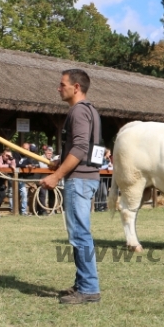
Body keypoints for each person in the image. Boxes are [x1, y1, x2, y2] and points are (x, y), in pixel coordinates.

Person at [40, 69, 104, 304]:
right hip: (88, 176)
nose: (59, 88)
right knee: (79, 233)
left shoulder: (77, 112)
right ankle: (83, 283)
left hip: (80, 180)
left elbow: (80, 149)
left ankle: (88, 288)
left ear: (76, 87)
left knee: (80, 234)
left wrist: (56, 175)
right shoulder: (90, 110)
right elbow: (81, 148)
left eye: (62, 84)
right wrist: (60, 160)